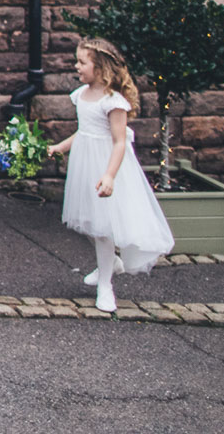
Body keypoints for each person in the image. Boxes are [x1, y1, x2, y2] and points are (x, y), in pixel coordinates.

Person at [47, 37, 174, 313]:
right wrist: (60, 147)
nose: (76, 66)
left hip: (107, 164)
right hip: (85, 163)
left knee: (103, 229)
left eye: (82, 62)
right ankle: (112, 263)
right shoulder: (81, 95)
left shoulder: (113, 101)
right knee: (89, 223)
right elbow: (84, 130)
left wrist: (110, 175)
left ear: (100, 67)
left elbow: (119, 141)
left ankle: (105, 286)